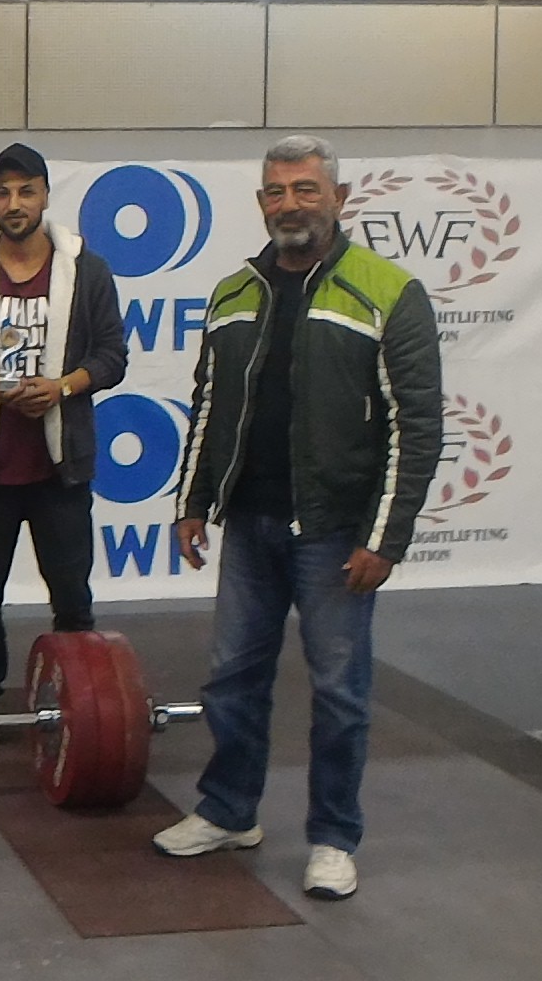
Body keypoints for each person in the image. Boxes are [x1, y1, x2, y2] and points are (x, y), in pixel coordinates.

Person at [153, 134, 442, 900]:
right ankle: (229, 811)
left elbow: (418, 428)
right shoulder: (233, 293)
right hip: (249, 524)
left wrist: (383, 539)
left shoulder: (388, 292)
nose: (291, 205)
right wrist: (192, 502)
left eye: (306, 189)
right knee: (231, 680)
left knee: (340, 694)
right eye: (277, 192)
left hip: (334, 534)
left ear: (338, 198)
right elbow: (209, 407)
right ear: (261, 203)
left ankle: (334, 838)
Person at [0, 143, 128, 764]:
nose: (15, 204)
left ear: (45, 195)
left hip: (61, 469)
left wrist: (60, 388)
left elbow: (112, 357)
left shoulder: (87, 271)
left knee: (73, 601)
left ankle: (82, 713)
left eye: (26, 191)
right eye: (3, 192)